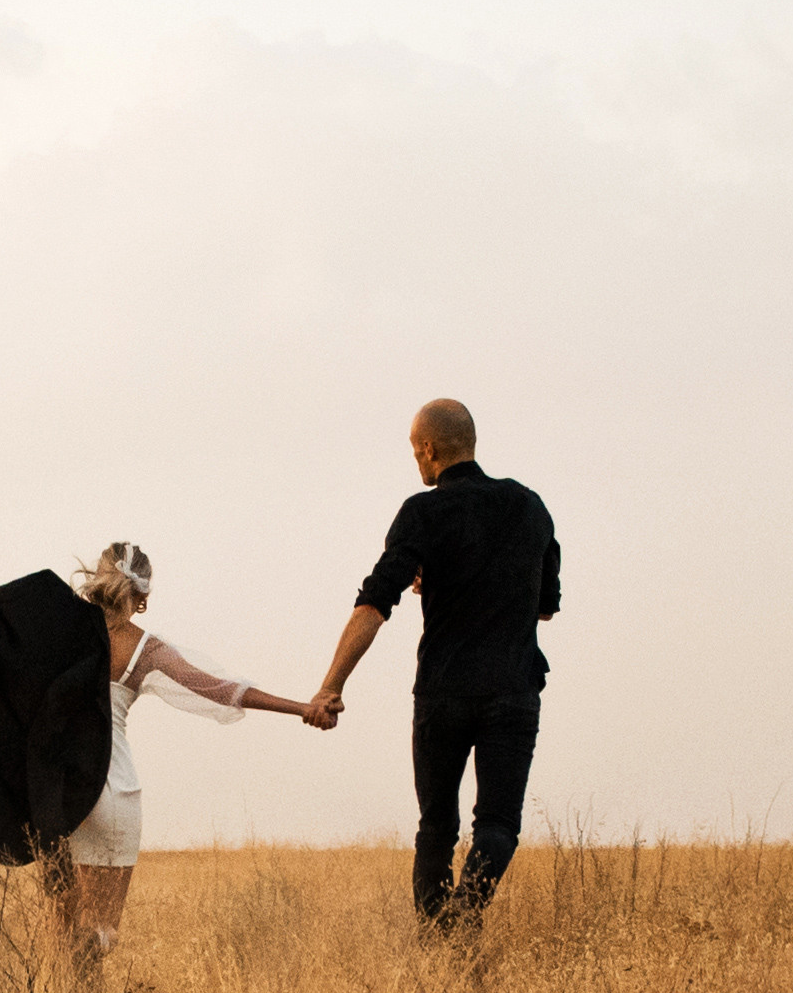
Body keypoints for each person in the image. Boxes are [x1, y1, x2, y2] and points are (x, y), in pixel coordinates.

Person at [306, 400, 560, 929]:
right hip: (513, 689)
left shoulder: (423, 512)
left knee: (436, 828)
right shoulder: (530, 507)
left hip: (443, 691)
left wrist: (331, 685)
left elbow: (374, 603)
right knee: (497, 824)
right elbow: (544, 606)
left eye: (412, 449)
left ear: (429, 448)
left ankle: (440, 939)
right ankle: (467, 916)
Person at [68, 541, 326, 954]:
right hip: (111, 788)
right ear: (143, 598)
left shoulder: (61, 631)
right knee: (102, 931)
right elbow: (220, 689)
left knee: (62, 925)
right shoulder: (144, 649)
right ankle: (84, 982)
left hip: (61, 787)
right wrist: (302, 709)